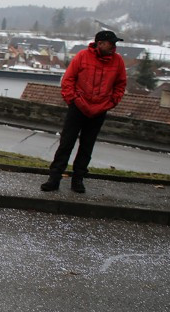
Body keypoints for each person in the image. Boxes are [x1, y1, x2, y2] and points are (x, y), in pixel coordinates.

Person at [40, 30, 127, 194]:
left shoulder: (118, 62)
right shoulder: (82, 56)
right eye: (111, 43)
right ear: (100, 43)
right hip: (78, 108)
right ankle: (54, 178)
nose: (114, 46)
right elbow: (68, 79)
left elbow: (120, 85)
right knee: (66, 144)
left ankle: (78, 179)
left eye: (115, 43)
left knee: (87, 147)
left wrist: (111, 102)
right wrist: (73, 100)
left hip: (99, 110)